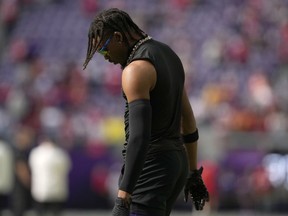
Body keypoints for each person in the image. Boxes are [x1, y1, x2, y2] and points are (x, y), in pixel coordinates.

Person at [83, 8, 209, 216]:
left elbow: (139, 137)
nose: (105, 58)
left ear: (117, 37)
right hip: (176, 163)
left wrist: (123, 198)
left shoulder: (135, 70)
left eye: (104, 49)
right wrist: (193, 172)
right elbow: (188, 120)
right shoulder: (169, 55)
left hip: (152, 167)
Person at [28, 136, 71, 216]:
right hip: (57, 190)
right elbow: (67, 168)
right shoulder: (60, 153)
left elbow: (31, 167)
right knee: (55, 211)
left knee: (40, 212)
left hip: (40, 190)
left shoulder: (36, 153)